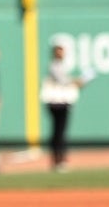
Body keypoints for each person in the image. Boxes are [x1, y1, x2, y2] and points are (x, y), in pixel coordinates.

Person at [41, 39, 91, 172]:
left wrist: (78, 82)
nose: (61, 53)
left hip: (63, 102)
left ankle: (60, 158)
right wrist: (79, 81)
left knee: (61, 132)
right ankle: (57, 160)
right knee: (58, 132)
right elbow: (63, 81)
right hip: (56, 102)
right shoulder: (54, 65)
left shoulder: (61, 65)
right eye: (59, 50)